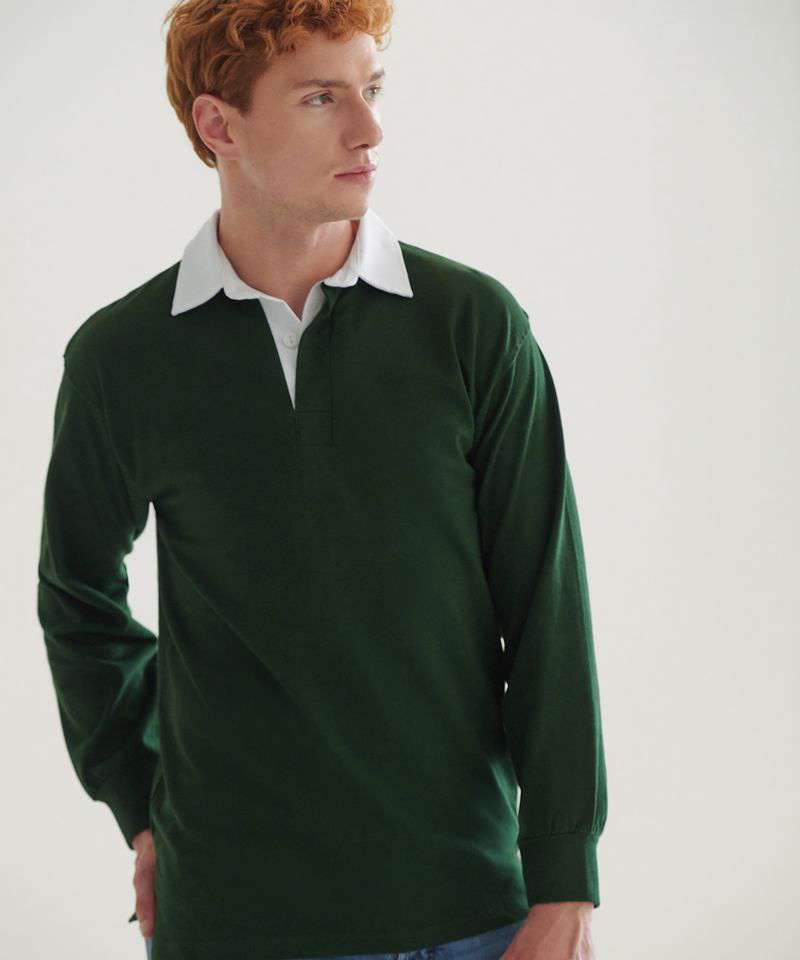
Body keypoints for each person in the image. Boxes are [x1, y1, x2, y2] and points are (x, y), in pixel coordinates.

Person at [36, 2, 608, 959]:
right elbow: (78, 597)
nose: (369, 129)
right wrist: (143, 807)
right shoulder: (124, 358)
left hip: (475, 910)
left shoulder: (471, 326)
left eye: (371, 89)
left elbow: (548, 609)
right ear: (219, 124)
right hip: (236, 917)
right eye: (320, 98)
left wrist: (565, 882)